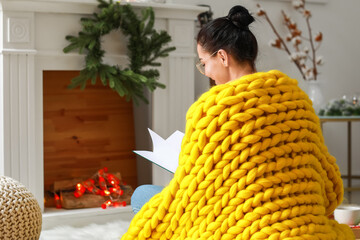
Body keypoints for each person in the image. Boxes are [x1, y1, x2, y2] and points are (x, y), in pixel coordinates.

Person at [123, 5, 355, 240]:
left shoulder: (216, 109)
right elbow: (330, 185)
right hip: (301, 224)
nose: (205, 72)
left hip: (246, 225)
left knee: (142, 195)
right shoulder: (297, 100)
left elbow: (191, 192)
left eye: (204, 63)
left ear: (222, 56)